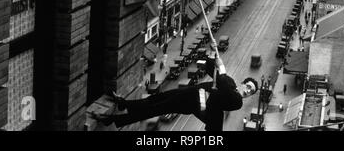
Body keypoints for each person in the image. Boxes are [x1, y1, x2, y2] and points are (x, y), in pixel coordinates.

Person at [91, 55, 258, 131]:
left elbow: (225, 86)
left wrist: (221, 67)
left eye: (251, 91)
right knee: (154, 99)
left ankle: (113, 119)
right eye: (248, 87)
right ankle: (123, 105)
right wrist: (213, 58)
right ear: (243, 83)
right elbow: (210, 69)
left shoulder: (236, 100)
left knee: (154, 109)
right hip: (187, 93)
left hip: (190, 103)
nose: (248, 91)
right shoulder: (229, 82)